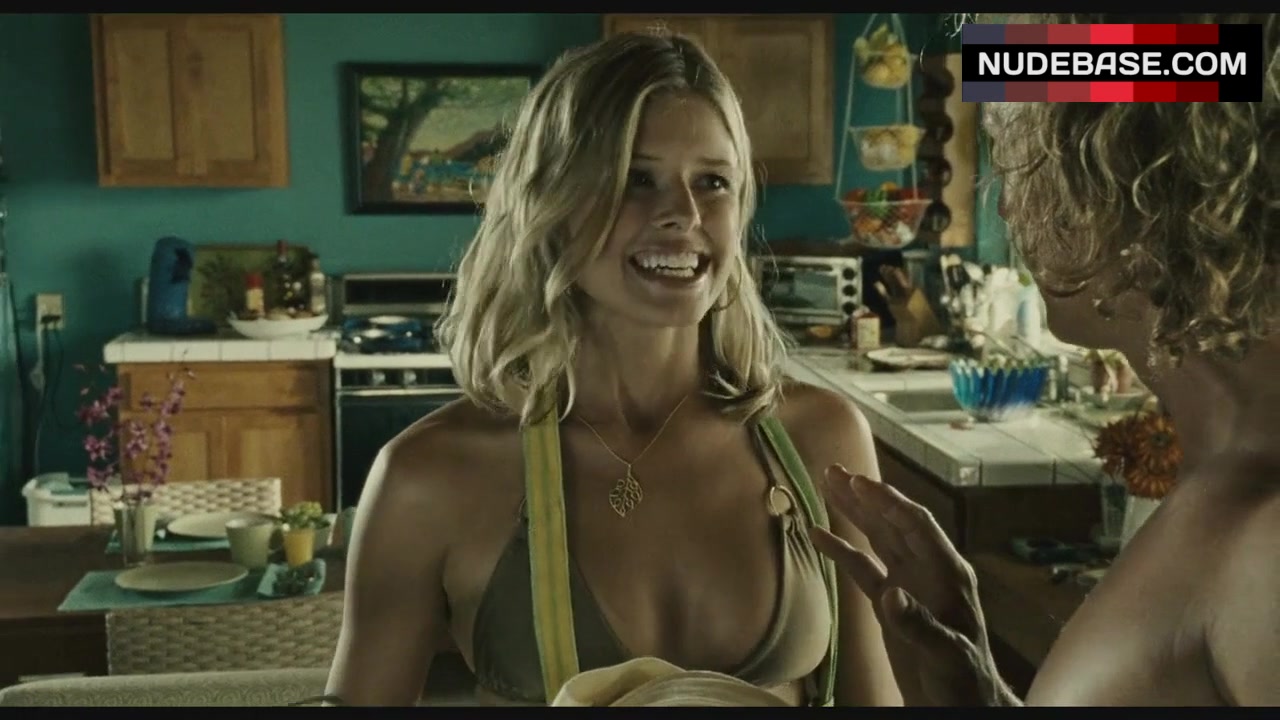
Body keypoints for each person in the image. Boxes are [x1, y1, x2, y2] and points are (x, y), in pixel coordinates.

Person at [324, 29, 902, 707]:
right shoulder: (429, 477)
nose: (683, 214)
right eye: (636, 179)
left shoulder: (820, 439)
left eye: (712, 181)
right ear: (552, 203)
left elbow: (874, 699)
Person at [813, 12, 1279, 707]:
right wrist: (976, 693)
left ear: (1132, 171)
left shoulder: (1266, 539)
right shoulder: (1227, 481)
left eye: (1018, 150)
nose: (1008, 202)